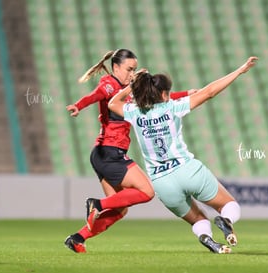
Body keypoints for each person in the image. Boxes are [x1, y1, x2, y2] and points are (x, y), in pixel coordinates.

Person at [108, 56, 258, 253]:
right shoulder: (172, 107)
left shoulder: (134, 112)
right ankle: (225, 220)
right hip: (186, 169)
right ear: (163, 94)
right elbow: (209, 92)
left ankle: (207, 237)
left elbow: (112, 103)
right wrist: (239, 71)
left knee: (197, 219)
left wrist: (132, 85)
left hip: (161, 181)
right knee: (229, 205)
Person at [64, 49, 194, 253]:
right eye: (129, 69)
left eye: (134, 70)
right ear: (116, 68)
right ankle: (96, 204)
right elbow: (95, 95)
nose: (132, 74)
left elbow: (157, 100)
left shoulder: (131, 90)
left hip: (102, 155)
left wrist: (187, 95)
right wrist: (79, 106)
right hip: (110, 152)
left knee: (119, 209)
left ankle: (78, 238)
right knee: (147, 191)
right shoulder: (110, 84)